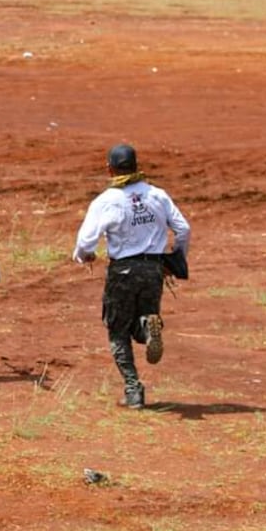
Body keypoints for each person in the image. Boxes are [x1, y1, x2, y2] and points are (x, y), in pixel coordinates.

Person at [72, 144, 191, 409]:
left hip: (123, 272)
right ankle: (149, 327)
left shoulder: (106, 201)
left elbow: (85, 241)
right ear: (137, 166)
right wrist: (177, 259)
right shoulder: (157, 195)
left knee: (117, 331)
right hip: (153, 270)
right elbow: (183, 228)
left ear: (109, 168)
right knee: (143, 319)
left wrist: (84, 256)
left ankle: (133, 389)